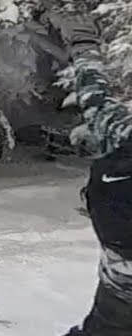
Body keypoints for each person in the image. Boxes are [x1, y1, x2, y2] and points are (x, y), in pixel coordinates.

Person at [65, 20, 132, 336]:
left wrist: (84, 49)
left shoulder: (120, 132)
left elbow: (93, 91)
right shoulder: (120, 132)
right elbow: (94, 94)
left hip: (119, 284)